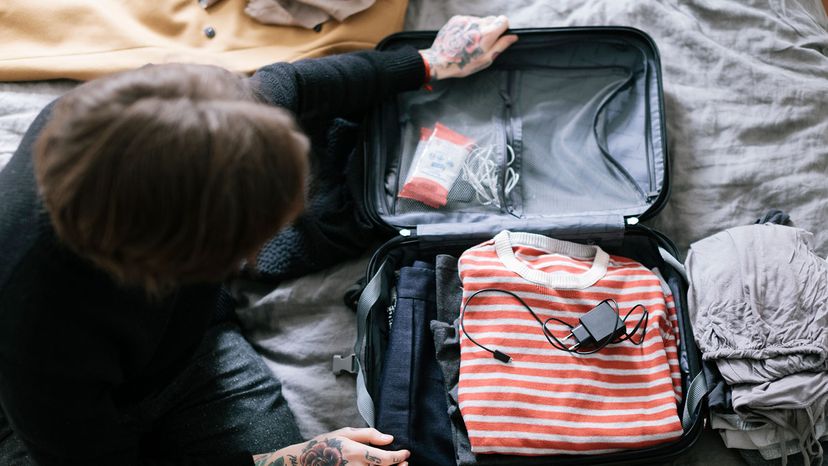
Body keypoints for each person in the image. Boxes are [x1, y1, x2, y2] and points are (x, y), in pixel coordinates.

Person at [0, 14, 518, 466]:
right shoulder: (37, 337)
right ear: (178, 256)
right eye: (247, 243)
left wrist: (428, 63)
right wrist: (284, 461)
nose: (259, 253)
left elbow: (291, 85)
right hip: (73, 430)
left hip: (189, 340)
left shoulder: (174, 113)